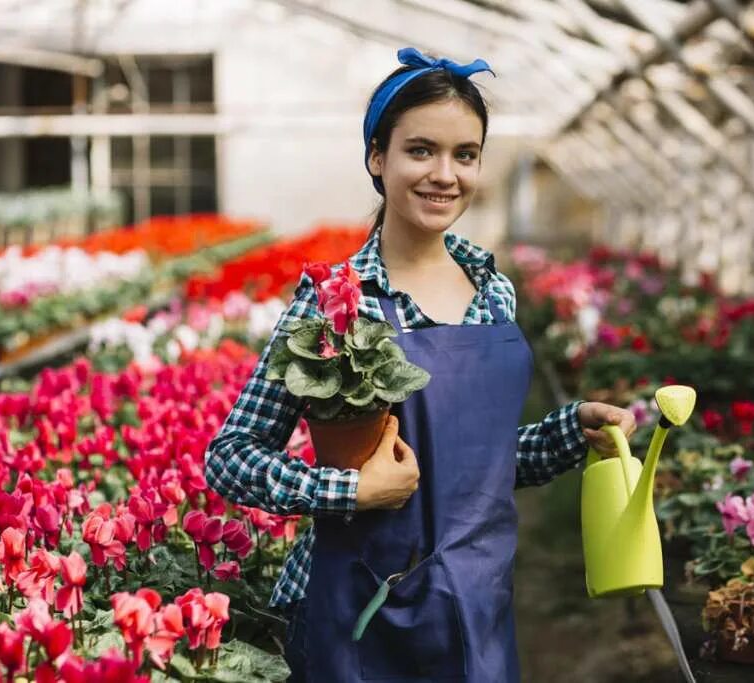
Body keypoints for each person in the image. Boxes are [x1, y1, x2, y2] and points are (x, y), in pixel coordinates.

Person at [204, 47, 637, 683]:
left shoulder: (493, 289)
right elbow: (231, 455)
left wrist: (570, 431)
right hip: (360, 605)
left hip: (473, 598)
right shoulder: (337, 300)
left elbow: (474, 466)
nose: (445, 174)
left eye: (465, 154)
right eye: (420, 150)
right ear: (377, 158)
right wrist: (352, 491)